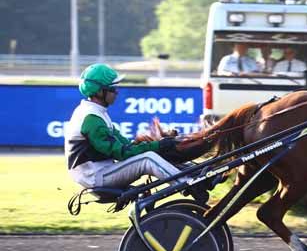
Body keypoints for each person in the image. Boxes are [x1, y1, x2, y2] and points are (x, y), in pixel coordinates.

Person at [64, 64, 208, 202]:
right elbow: (122, 153)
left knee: (154, 152)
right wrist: (157, 146)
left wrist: (157, 144)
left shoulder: (97, 113)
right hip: (94, 177)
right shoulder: (91, 118)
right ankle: (188, 185)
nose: (117, 92)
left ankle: (197, 173)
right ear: (99, 92)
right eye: (113, 88)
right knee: (148, 159)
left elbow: (126, 145)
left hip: (101, 171)